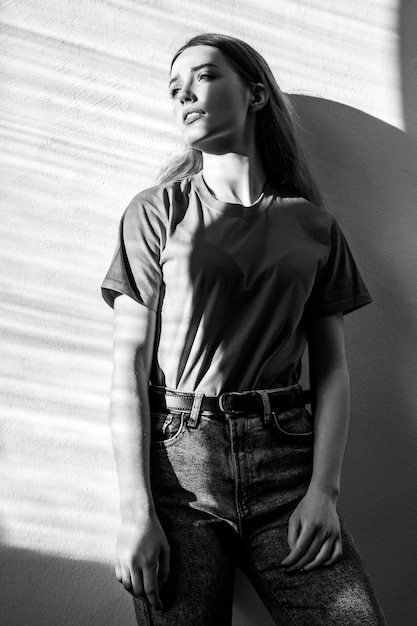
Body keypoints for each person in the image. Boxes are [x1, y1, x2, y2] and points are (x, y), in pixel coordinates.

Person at [102, 33, 386, 625]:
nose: (184, 95)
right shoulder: (157, 211)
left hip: (288, 466)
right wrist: (136, 511)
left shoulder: (314, 225)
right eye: (174, 88)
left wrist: (323, 494)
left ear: (255, 93)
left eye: (203, 77)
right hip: (181, 470)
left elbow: (332, 370)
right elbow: (128, 363)